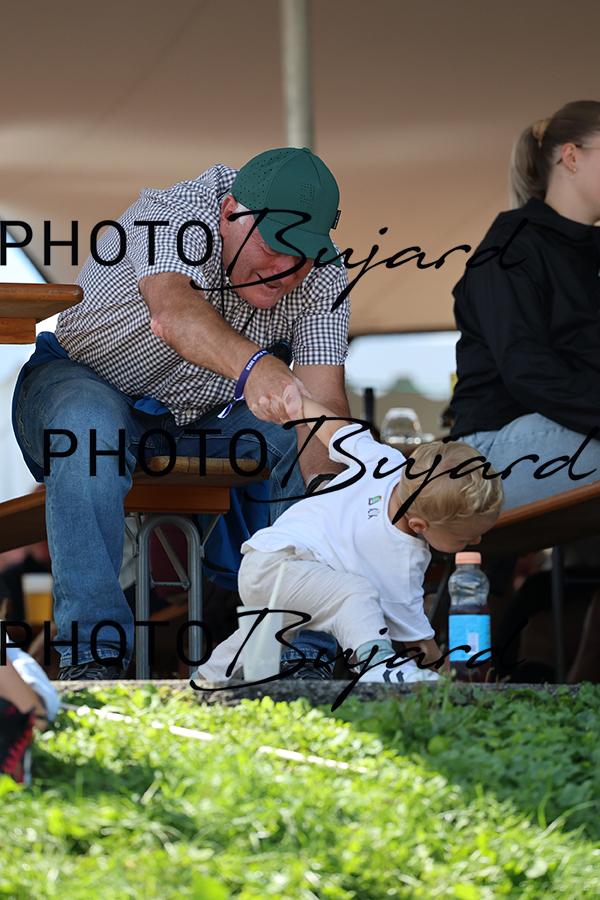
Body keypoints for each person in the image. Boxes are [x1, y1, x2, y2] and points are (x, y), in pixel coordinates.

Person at [13, 147, 351, 680]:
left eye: (304, 254)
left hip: (204, 417)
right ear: (231, 212)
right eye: (274, 245)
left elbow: (323, 409)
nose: (287, 270)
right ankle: (93, 660)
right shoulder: (175, 213)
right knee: (88, 424)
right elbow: (173, 313)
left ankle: (305, 656)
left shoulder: (326, 275)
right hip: (82, 380)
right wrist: (256, 368)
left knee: (313, 444)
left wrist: (342, 489)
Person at [197, 394, 503, 684]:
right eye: (466, 538)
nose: (477, 541)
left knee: (266, 638)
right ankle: (377, 668)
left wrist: (300, 404)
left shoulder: (387, 462)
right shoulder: (404, 559)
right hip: (281, 562)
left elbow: (337, 431)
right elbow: (418, 641)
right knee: (354, 595)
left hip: (266, 560)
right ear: (419, 525)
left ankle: (205, 680)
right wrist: (447, 677)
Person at [450, 100, 600, 510]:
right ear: (571, 156)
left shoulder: (589, 252)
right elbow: (528, 370)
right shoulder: (511, 247)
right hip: (490, 450)